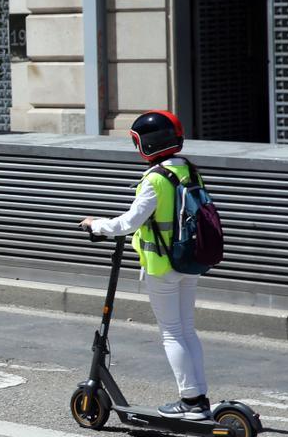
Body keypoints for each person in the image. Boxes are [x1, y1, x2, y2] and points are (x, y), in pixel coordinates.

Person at [79, 110, 210, 420]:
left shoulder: (155, 179)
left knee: (172, 334)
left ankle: (190, 402)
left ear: (147, 144)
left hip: (161, 267)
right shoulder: (189, 171)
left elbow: (128, 222)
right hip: (189, 262)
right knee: (187, 331)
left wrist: (96, 225)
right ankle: (199, 397)